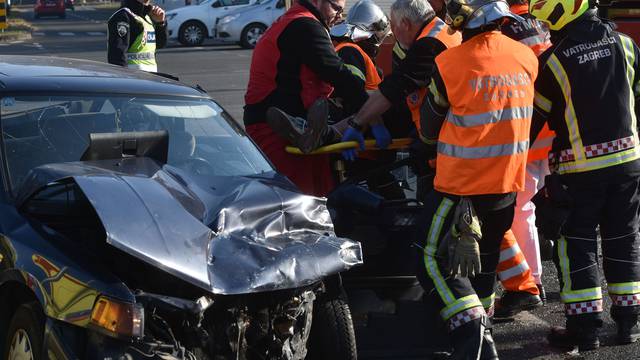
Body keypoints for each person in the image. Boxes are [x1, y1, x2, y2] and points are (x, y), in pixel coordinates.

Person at [416, 0, 538, 356]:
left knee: (427, 255)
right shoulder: (525, 57)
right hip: (505, 187)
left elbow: (429, 124)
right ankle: (483, 344)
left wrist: (423, 150)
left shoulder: (450, 62)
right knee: (483, 266)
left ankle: (470, 332)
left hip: (459, 187)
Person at [529, 0, 640, 350]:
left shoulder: (554, 61)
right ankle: (629, 325)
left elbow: (533, 121)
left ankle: (585, 330)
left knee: (576, 245)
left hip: (580, 171)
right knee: (624, 238)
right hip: (629, 164)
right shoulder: (625, 44)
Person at [243, 0, 369, 196]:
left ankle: (323, 132)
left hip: (280, 122)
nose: (339, 16)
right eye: (336, 8)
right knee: (298, 204)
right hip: (278, 129)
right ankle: (326, 132)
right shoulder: (305, 26)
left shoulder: (291, 21)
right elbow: (337, 74)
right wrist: (374, 111)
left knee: (311, 201)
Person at [493, 0, 554, 317]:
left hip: (526, 133)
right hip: (549, 131)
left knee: (519, 210)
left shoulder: (506, 30)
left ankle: (531, 281)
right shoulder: (537, 24)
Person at [107, 0, 167, 72]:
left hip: (151, 76)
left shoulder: (148, 16)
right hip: (133, 78)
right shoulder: (123, 16)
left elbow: (160, 44)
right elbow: (117, 56)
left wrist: (160, 23)